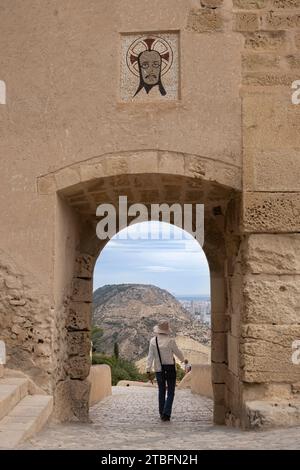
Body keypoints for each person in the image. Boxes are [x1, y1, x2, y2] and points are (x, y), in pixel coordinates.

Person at [146, 320, 185, 421]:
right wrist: (183, 360)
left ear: (158, 330)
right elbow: (177, 352)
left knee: (161, 391)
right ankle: (166, 413)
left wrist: (148, 369)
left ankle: (161, 412)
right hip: (170, 369)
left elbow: (150, 357)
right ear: (167, 331)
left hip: (159, 370)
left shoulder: (153, 341)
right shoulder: (170, 341)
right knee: (171, 392)